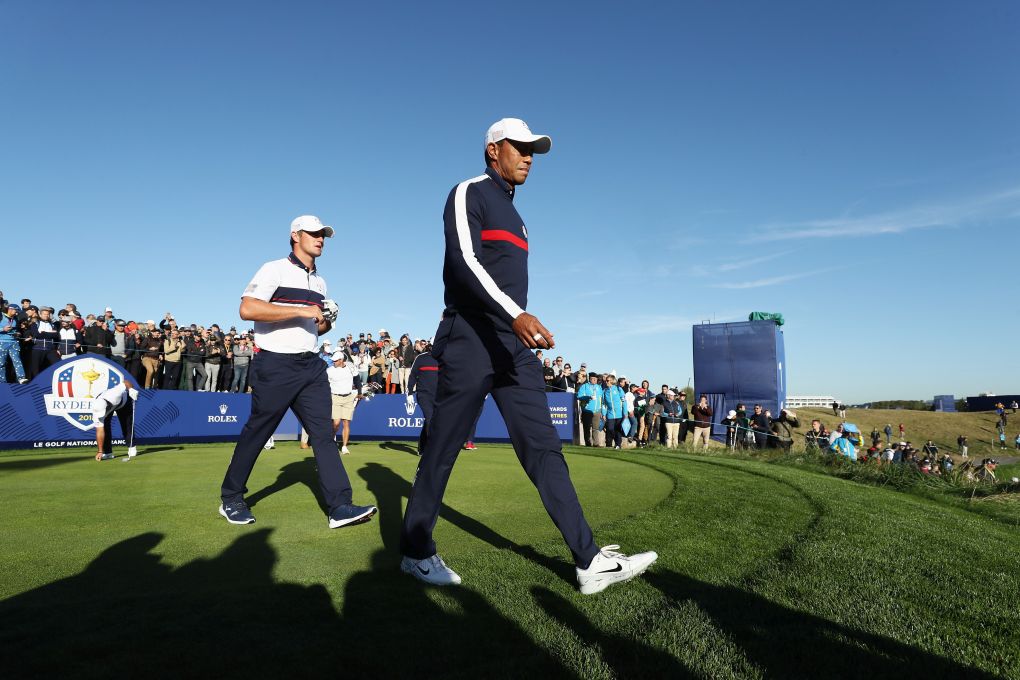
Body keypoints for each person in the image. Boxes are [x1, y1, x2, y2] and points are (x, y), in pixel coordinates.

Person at [399, 118, 656, 593]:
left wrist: (518, 324)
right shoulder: (468, 192)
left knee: (543, 447)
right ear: (493, 150)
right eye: (520, 147)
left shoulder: (517, 215)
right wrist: (516, 314)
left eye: (533, 149)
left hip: (513, 347)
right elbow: (463, 262)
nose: (529, 156)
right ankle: (416, 552)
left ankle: (588, 560)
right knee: (443, 446)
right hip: (471, 337)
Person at [219, 214, 376, 529]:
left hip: (311, 365)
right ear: (296, 235)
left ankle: (339, 506)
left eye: (323, 235)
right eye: (314, 233)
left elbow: (317, 327)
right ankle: (231, 498)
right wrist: (301, 310)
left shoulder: (320, 281)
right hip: (275, 363)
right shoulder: (273, 268)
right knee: (258, 432)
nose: (320, 239)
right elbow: (247, 309)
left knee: (323, 435)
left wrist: (328, 319)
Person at [92, 379, 139, 461]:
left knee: (126, 423)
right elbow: (99, 431)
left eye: (104, 412)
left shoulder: (114, 394)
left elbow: (126, 382)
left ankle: (132, 447)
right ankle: (107, 452)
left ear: (108, 407)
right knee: (105, 426)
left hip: (124, 402)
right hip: (110, 404)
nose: (103, 415)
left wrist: (131, 389)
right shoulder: (97, 411)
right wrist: (100, 451)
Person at [406, 342, 439, 455]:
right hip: (424, 395)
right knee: (430, 420)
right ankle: (432, 451)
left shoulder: (445, 358)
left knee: (431, 421)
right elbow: (413, 376)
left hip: (440, 396)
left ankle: (422, 447)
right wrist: (409, 393)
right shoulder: (421, 358)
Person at [327, 351, 361, 455]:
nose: (334, 362)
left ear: (341, 360)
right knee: (336, 423)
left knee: (346, 422)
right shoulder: (329, 370)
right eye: (333, 361)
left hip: (348, 397)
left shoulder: (351, 367)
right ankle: (331, 440)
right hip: (335, 397)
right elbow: (324, 384)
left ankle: (344, 446)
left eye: (336, 361)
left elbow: (357, 379)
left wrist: (359, 393)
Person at [0, 302, 28, 383]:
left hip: (14, 342)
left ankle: (21, 378)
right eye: (15, 311)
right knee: (1, 363)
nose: (16, 313)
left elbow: (18, 330)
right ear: (10, 309)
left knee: (17, 360)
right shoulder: (1, 316)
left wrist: (18, 333)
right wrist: (3, 329)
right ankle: (2, 381)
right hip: (2, 342)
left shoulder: (16, 318)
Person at [575, 372, 603, 447]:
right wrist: (588, 397)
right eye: (592, 379)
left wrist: (602, 410)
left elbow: (601, 399)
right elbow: (579, 396)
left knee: (595, 428)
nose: (594, 380)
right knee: (587, 428)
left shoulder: (599, 387)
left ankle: (596, 444)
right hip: (587, 410)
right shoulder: (584, 386)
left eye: (595, 379)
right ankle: (588, 444)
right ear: (589, 379)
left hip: (597, 410)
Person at [602, 374, 626, 449]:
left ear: (612, 381)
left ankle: (618, 444)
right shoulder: (604, 391)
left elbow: (624, 401)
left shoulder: (618, 389)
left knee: (618, 430)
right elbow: (603, 404)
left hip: (619, 414)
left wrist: (625, 413)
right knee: (610, 428)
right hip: (610, 414)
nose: (606, 382)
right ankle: (614, 443)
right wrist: (603, 414)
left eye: (608, 380)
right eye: (606, 380)